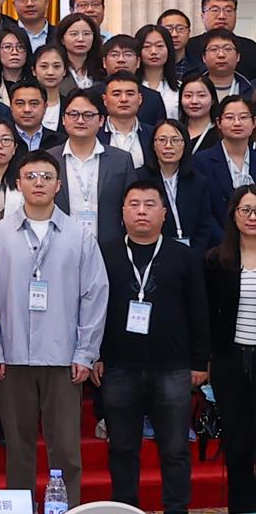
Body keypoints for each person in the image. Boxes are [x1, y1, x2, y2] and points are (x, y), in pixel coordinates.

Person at [0, 150, 108, 506]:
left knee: (66, 449)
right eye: (30, 177)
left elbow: (94, 294)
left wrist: (85, 352)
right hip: (12, 356)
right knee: (18, 448)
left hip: (63, 358)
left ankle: (67, 509)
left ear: (58, 185)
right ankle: (20, 508)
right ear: (18, 184)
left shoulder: (79, 236)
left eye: (46, 177)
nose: (38, 183)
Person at [96, 179, 209, 514]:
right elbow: (91, 308)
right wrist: (94, 355)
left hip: (172, 367)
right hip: (118, 366)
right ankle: (124, 508)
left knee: (175, 449)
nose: (141, 212)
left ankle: (177, 508)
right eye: (134, 205)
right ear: (122, 212)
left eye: (149, 205)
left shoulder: (184, 256)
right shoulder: (105, 253)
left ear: (164, 213)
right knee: (122, 448)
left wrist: (199, 361)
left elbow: (199, 310)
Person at [206, 184, 256, 512]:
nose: (252, 217)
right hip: (230, 361)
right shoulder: (217, 260)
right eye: (246, 210)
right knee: (237, 446)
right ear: (233, 215)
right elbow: (208, 315)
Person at [50, 87, 135, 247]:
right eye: (73, 114)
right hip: (59, 247)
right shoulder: (49, 159)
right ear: (63, 119)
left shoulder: (121, 160)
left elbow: (131, 206)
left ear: (101, 120)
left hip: (109, 248)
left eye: (88, 115)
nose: (80, 121)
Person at [151, 117, 223, 253]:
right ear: (153, 145)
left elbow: (204, 225)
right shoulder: (141, 179)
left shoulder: (198, 181)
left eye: (175, 140)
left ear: (185, 145)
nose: (168, 146)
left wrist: (194, 256)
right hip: (155, 253)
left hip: (193, 254)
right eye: (162, 140)